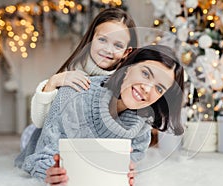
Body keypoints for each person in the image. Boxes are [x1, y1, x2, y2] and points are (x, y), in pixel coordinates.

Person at [15, 44, 184, 186]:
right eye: (146, 74)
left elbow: (131, 161)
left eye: (159, 88)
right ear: (127, 68)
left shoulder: (142, 122)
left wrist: (128, 171)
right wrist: (48, 172)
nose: (147, 89)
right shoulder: (73, 95)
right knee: (30, 135)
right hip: (38, 135)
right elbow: (39, 158)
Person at [20, 7, 138, 150]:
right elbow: (40, 122)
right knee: (31, 134)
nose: (107, 49)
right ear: (91, 39)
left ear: (126, 52)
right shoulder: (72, 73)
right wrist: (53, 82)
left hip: (94, 143)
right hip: (59, 138)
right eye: (102, 40)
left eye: (118, 45)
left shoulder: (125, 81)